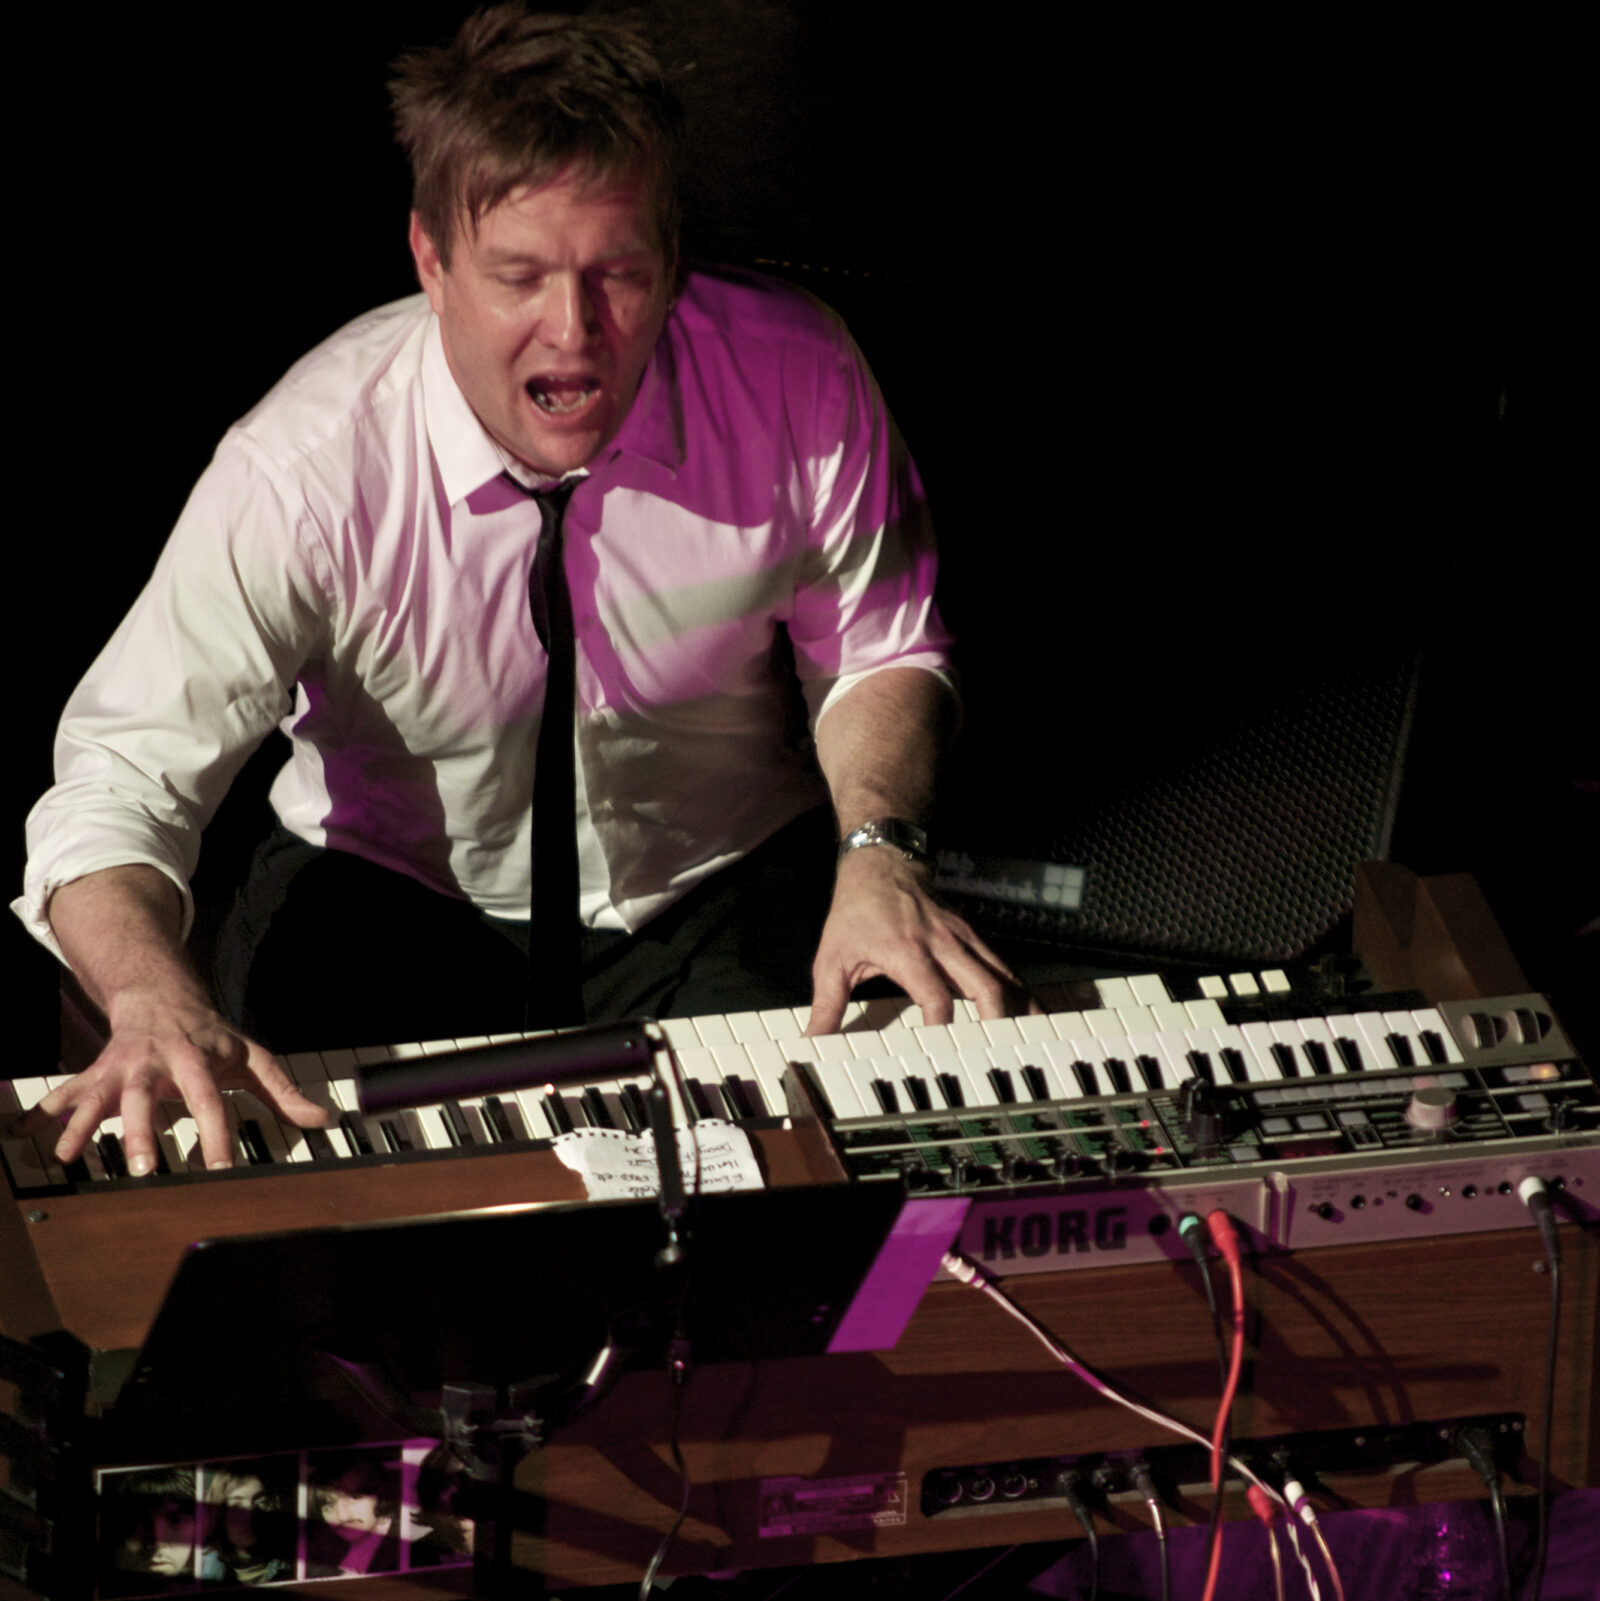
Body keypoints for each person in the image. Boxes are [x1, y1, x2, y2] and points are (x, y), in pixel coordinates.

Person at [15, 6, 1025, 1179]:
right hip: (390, 894)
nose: (576, 330)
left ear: (672, 253)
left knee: (822, 1209)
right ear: (431, 262)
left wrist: (880, 856)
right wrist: (146, 992)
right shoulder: (302, 465)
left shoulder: (796, 372)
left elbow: (879, 648)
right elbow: (120, 779)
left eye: (620, 273)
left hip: (712, 886)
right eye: (520, 276)